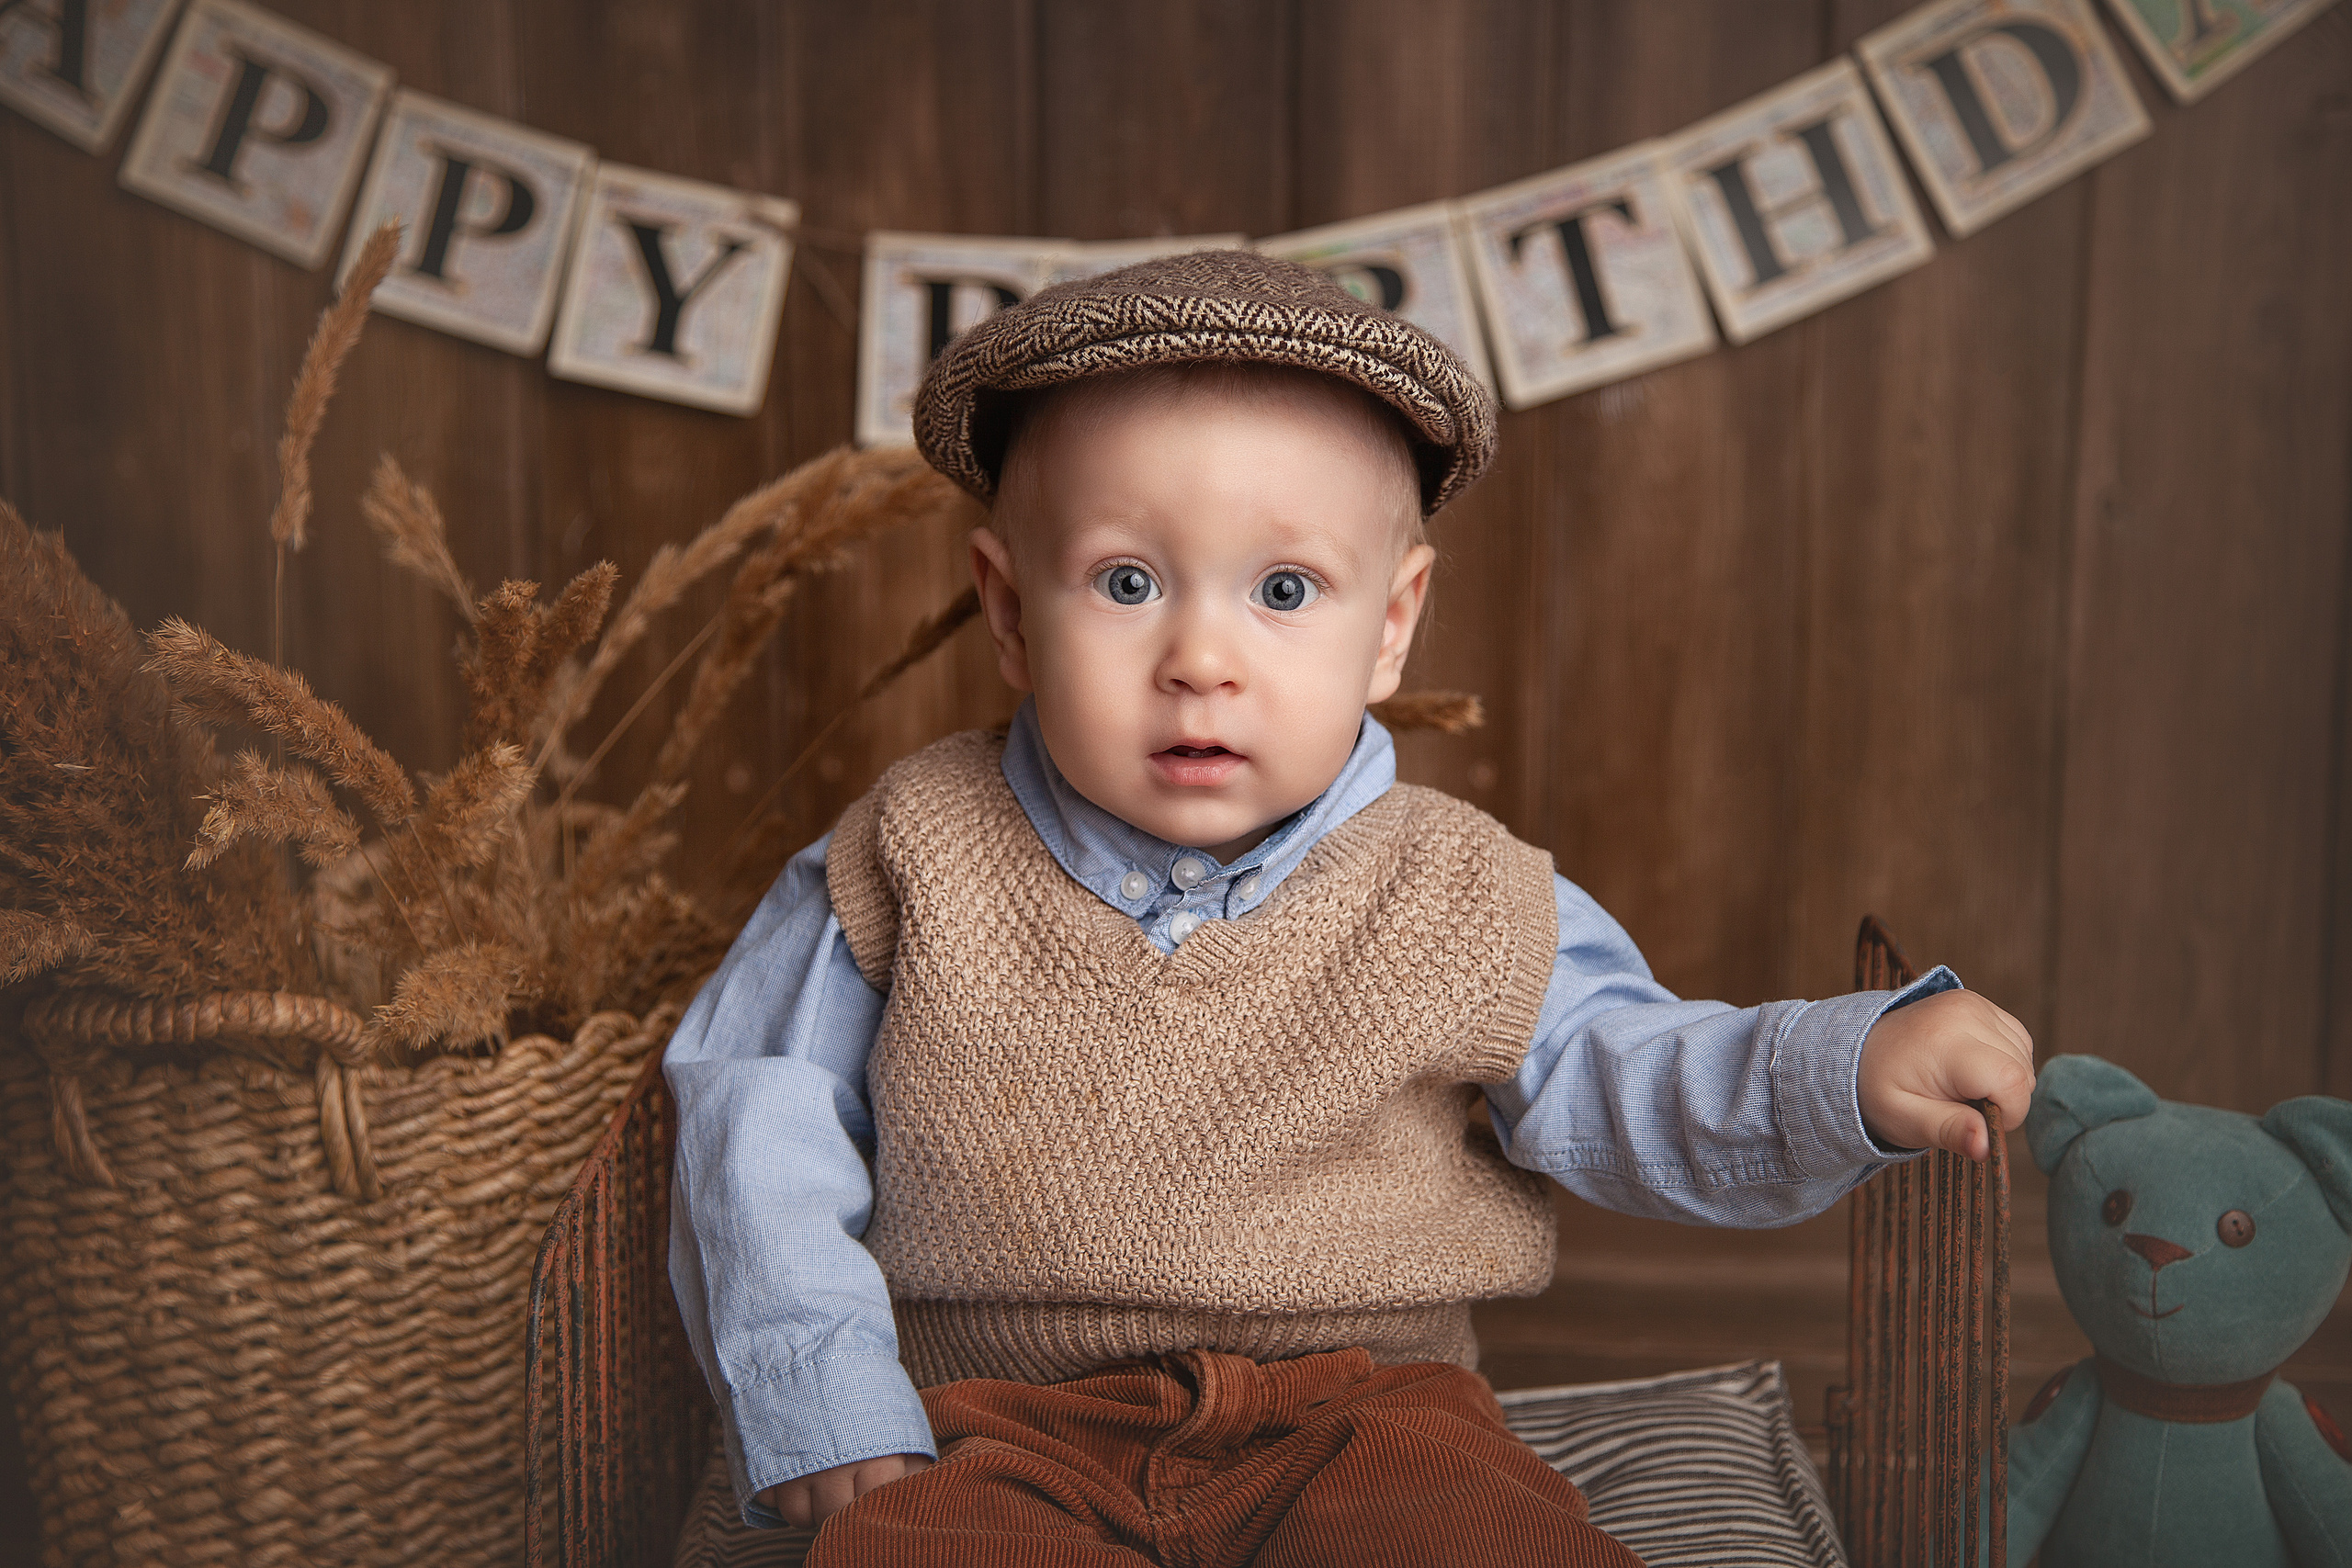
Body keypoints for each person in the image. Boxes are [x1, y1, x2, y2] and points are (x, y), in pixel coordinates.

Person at [663, 250, 2037, 1566]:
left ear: (1392, 625)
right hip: (992, 1430)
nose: (1201, 659)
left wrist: (1842, 1069)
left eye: (1283, 590)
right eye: (1127, 583)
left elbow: (1641, 1077)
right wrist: (823, 1390)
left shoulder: (1464, 897)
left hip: (1369, 1415)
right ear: (1010, 611)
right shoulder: (909, 852)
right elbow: (757, 1126)